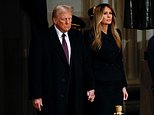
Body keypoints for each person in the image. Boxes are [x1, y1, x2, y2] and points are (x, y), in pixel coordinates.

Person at [28, 4, 95, 115]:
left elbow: (86, 63)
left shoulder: (77, 36)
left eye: (70, 19)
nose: (68, 22)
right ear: (55, 20)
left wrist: (90, 86)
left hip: (75, 94)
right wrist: (36, 95)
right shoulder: (42, 38)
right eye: (64, 19)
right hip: (51, 95)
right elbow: (35, 69)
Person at [83, 3, 128, 115]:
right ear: (98, 16)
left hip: (116, 83)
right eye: (105, 13)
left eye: (110, 13)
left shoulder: (116, 33)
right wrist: (91, 86)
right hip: (100, 84)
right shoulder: (89, 35)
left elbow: (119, 61)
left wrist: (123, 85)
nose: (109, 16)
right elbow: (87, 63)